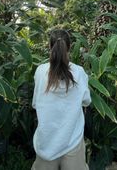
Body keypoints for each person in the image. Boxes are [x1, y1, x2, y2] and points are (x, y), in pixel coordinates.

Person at [32, 29, 91, 170]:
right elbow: (86, 101)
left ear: (49, 47)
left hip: (46, 143)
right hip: (72, 142)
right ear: (69, 48)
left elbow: (35, 103)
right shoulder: (79, 73)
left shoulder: (40, 71)